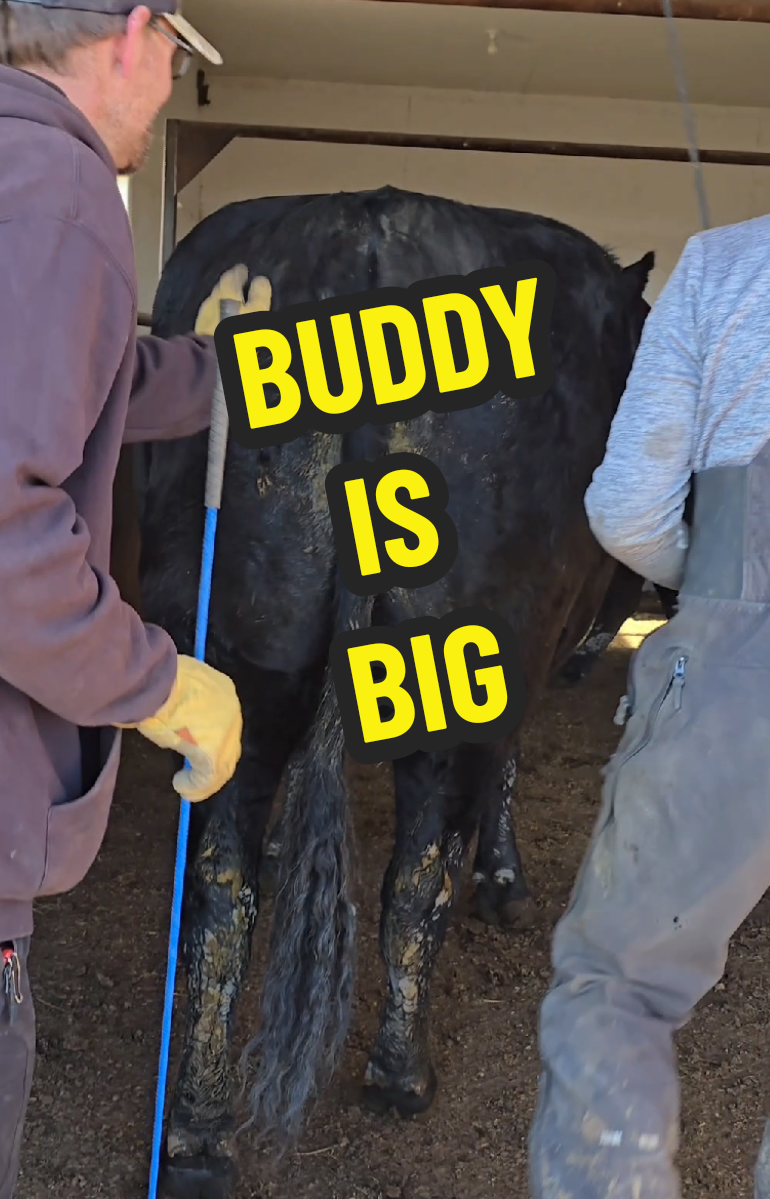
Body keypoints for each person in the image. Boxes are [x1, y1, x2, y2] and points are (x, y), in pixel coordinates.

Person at [528, 0, 770, 1195]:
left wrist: (734, 584)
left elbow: (626, 508)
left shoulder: (727, 268)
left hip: (741, 692)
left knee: (617, 986)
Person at [0, 2, 272, 1193]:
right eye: (176, 58)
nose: (169, 89)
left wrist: (245, 375)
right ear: (135, 32)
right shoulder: (59, 195)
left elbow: (89, 372)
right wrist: (158, 682)